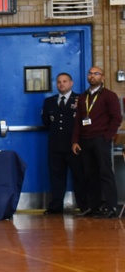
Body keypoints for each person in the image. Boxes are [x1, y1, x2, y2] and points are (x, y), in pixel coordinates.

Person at [71, 66, 122, 218]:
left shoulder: (109, 95)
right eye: (90, 73)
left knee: (105, 173)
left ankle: (111, 207)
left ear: (103, 77)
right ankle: (93, 207)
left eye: (96, 74)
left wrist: (108, 136)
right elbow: (78, 121)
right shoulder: (82, 97)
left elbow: (116, 118)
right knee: (89, 174)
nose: (92, 76)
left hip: (101, 139)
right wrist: (75, 140)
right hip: (85, 140)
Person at [41, 73, 86, 214]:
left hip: (75, 145)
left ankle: (84, 206)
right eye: (59, 82)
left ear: (71, 83)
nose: (61, 84)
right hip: (55, 145)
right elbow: (46, 122)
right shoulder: (50, 101)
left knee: (80, 177)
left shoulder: (80, 99)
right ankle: (56, 207)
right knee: (56, 177)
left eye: (65, 81)